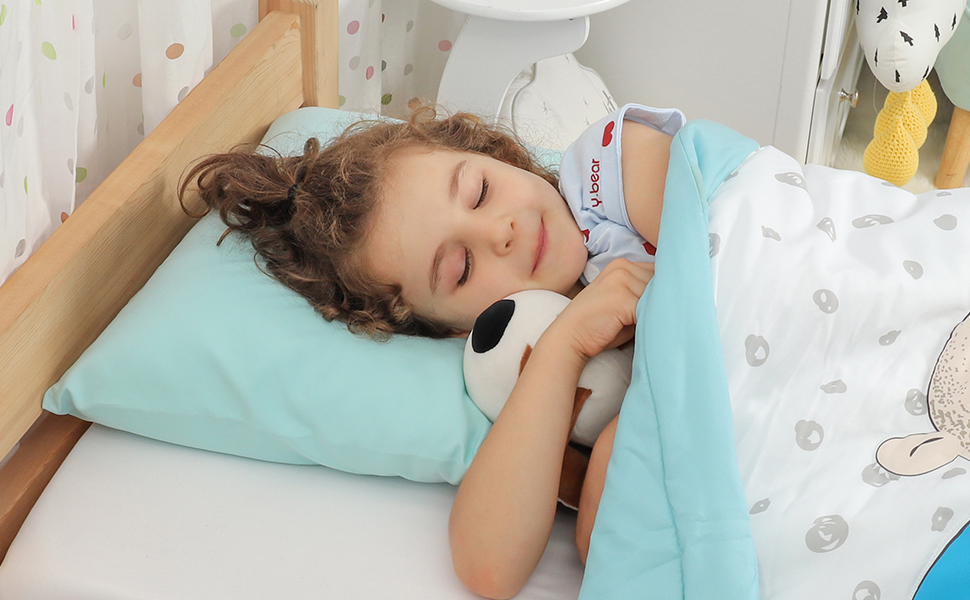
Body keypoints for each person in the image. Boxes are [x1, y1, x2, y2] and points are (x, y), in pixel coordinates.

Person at [179, 103, 677, 599]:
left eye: (480, 192)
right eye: (462, 269)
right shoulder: (517, 363)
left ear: (499, 156)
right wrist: (564, 347)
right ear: (455, 331)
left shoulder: (606, 180)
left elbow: (710, 228)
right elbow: (489, 568)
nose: (499, 231)